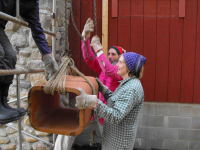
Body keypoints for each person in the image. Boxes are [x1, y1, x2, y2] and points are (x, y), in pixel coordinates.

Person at [54, 18, 125, 150]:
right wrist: (85, 39)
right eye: (108, 54)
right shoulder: (104, 68)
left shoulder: (120, 72)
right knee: (69, 129)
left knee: (111, 146)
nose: (109, 56)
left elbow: (109, 70)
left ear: (121, 58)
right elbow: (88, 58)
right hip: (94, 109)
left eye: (113, 54)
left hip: (108, 116)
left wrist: (98, 49)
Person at [0, 0, 58, 124]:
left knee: (10, 56)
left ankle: (2, 102)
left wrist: (47, 55)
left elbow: (36, 28)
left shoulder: (31, 3)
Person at [75, 52, 147, 150]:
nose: (117, 65)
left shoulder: (131, 88)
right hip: (113, 141)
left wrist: (92, 101)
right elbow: (115, 101)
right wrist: (102, 88)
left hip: (118, 145)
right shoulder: (128, 83)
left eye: (120, 62)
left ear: (129, 68)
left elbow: (116, 116)